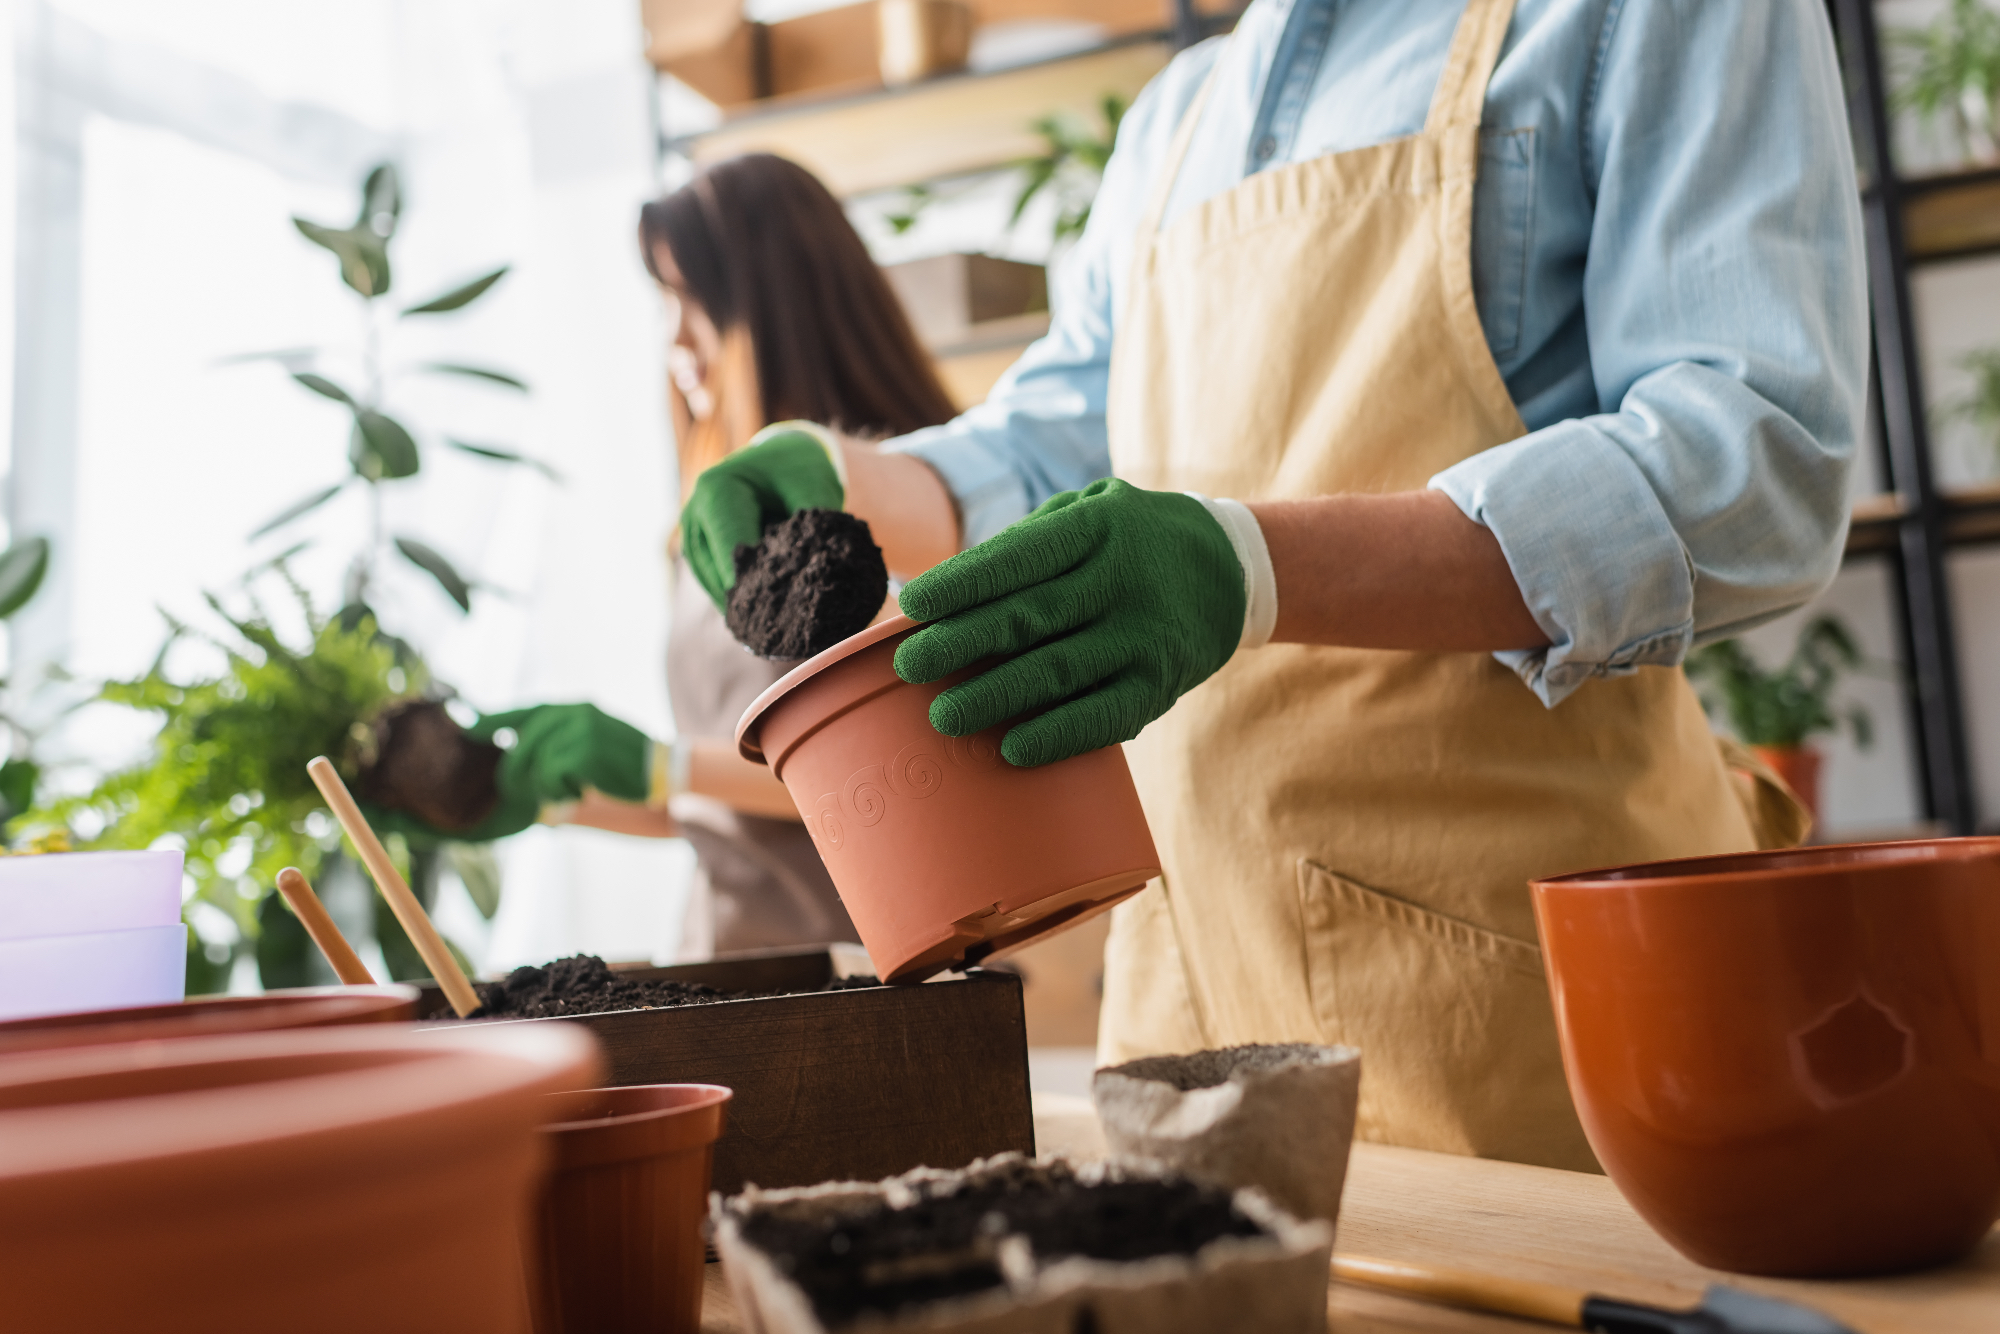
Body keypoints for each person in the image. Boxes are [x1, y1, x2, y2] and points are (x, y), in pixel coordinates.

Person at [677, 0, 1867, 1169]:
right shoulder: (1177, 118)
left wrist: (1249, 567)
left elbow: (1754, 466)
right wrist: (846, 477)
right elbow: (1050, 442)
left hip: (1513, 999)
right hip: (1187, 1009)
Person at [382, 155, 958, 958]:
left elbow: (900, 769)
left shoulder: (901, 508)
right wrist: (547, 796)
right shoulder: (711, 530)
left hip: (874, 965)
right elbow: (717, 804)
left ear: (780, 306)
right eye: (663, 303)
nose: (674, 337)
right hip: (730, 959)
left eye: (692, 301)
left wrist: (665, 764)